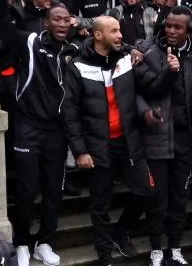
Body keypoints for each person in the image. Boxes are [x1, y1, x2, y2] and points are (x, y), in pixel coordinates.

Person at [61, 16, 177, 266]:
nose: (120, 35)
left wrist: (171, 72)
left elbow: (153, 88)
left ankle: (120, 231)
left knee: (148, 191)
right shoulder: (78, 66)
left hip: (128, 144)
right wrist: (80, 151)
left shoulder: (127, 59)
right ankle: (105, 255)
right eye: (114, 31)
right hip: (97, 147)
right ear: (98, 35)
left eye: (120, 30)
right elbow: (69, 113)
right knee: (100, 205)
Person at [0, 0, 78, 266]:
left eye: (66, 20)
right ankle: (22, 243)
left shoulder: (74, 50)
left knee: (53, 191)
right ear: (46, 23)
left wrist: (133, 50)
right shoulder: (29, 42)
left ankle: (45, 242)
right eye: (56, 19)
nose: (62, 24)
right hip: (28, 126)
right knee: (27, 190)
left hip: (58, 131)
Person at [136, 7, 192, 266]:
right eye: (168, 25)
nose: (170, 30)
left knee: (180, 196)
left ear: (189, 29)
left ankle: (175, 248)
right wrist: (147, 111)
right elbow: (145, 90)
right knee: (157, 198)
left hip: (185, 137)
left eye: (177, 27)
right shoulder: (148, 53)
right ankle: (156, 250)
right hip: (157, 136)